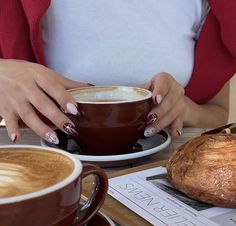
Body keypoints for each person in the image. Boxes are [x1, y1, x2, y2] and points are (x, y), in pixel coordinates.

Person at [0, 0, 235, 144]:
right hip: (41, 172)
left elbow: (217, 112)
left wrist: (184, 109)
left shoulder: (216, 5)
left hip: (163, 183)